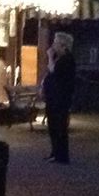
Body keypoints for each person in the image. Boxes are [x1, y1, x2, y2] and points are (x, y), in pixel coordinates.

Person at [41, 32, 76, 164]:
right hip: (54, 98)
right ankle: (55, 152)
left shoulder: (67, 59)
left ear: (63, 45)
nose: (53, 46)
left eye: (55, 43)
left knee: (59, 126)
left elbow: (53, 70)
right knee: (53, 126)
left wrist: (49, 57)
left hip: (60, 99)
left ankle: (61, 155)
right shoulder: (61, 58)